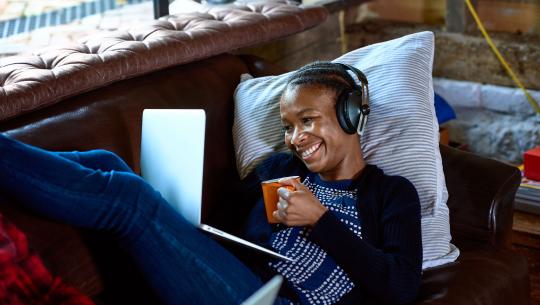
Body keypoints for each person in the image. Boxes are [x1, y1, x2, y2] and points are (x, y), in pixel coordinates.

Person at [0, 61, 422, 305]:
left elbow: (401, 288)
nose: (296, 139)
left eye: (308, 121)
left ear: (351, 115)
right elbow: (223, 233)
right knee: (106, 162)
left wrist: (321, 220)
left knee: (128, 199)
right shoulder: (280, 171)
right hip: (245, 287)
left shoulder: (390, 194)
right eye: (289, 126)